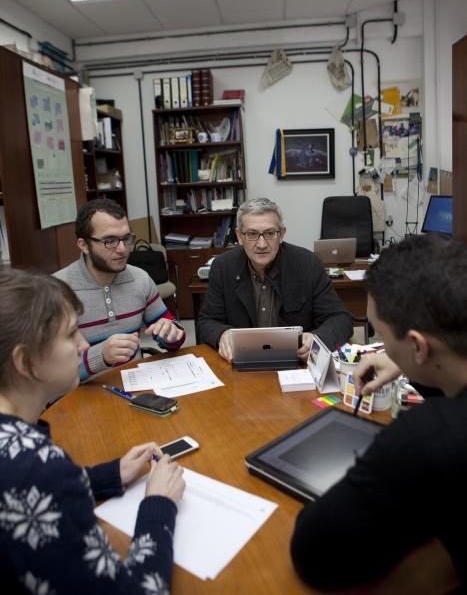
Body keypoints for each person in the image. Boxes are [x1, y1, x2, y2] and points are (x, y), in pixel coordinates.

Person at [290, 234, 467, 591]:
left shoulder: (426, 436)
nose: (383, 350)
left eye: (383, 337)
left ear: (418, 344)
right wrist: (410, 362)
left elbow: (315, 553)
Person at [0, 269, 185, 593]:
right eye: (71, 334)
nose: (84, 344)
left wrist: (108, 475)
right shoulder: (38, 467)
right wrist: (159, 504)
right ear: (26, 361)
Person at [198, 197, 353, 362]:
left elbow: (341, 319)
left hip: (297, 365)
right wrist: (221, 334)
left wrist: (316, 339)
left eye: (270, 233)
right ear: (239, 236)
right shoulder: (223, 267)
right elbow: (207, 321)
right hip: (240, 365)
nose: (262, 244)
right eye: (252, 234)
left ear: (282, 234)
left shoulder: (308, 265)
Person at [55, 199, 185, 382]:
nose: (123, 249)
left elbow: (172, 335)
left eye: (126, 238)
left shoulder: (140, 279)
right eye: (110, 241)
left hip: (135, 386)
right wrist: (101, 356)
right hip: (79, 396)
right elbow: (51, 374)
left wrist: (172, 334)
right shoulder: (55, 291)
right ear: (83, 245)